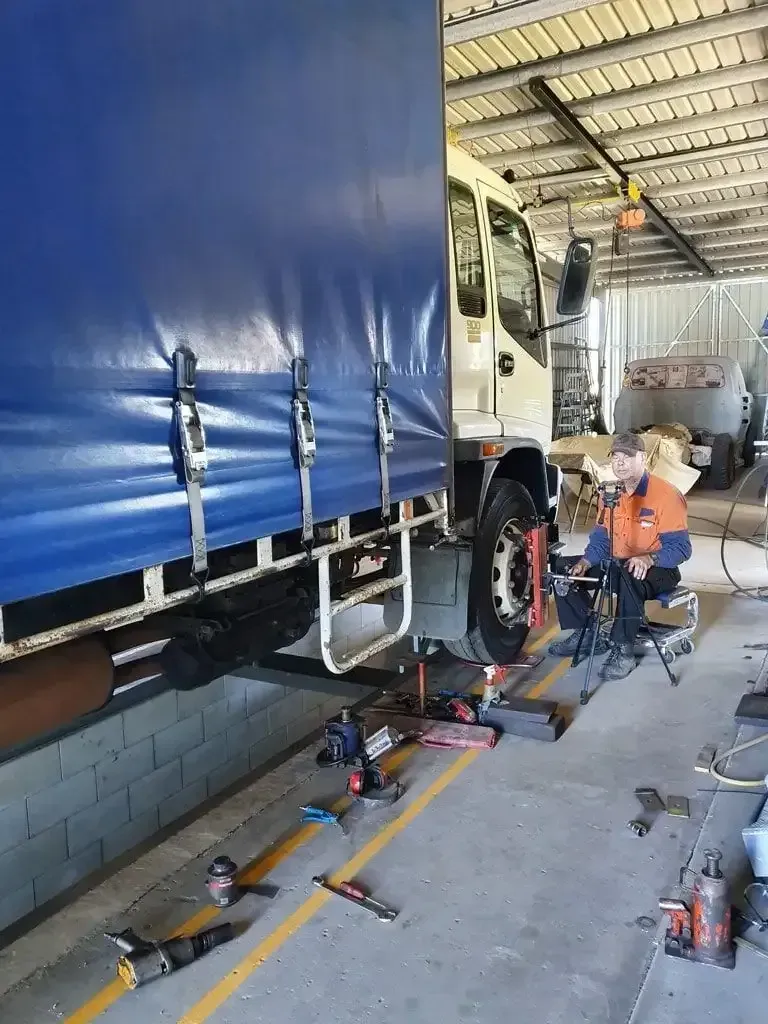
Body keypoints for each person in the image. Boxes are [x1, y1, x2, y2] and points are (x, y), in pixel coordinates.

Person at [549, 432, 692, 680]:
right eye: (615, 457)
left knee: (630, 576)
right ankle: (588, 631)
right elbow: (602, 539)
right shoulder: (609, 494)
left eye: (627, 457)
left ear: (643, 458)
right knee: (563, 569)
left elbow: (681, 549)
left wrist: (649, 559)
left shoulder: (666, 495)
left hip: (660, 569)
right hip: (618, 563)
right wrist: (585, 562)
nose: (620, 463)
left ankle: (622, 649)